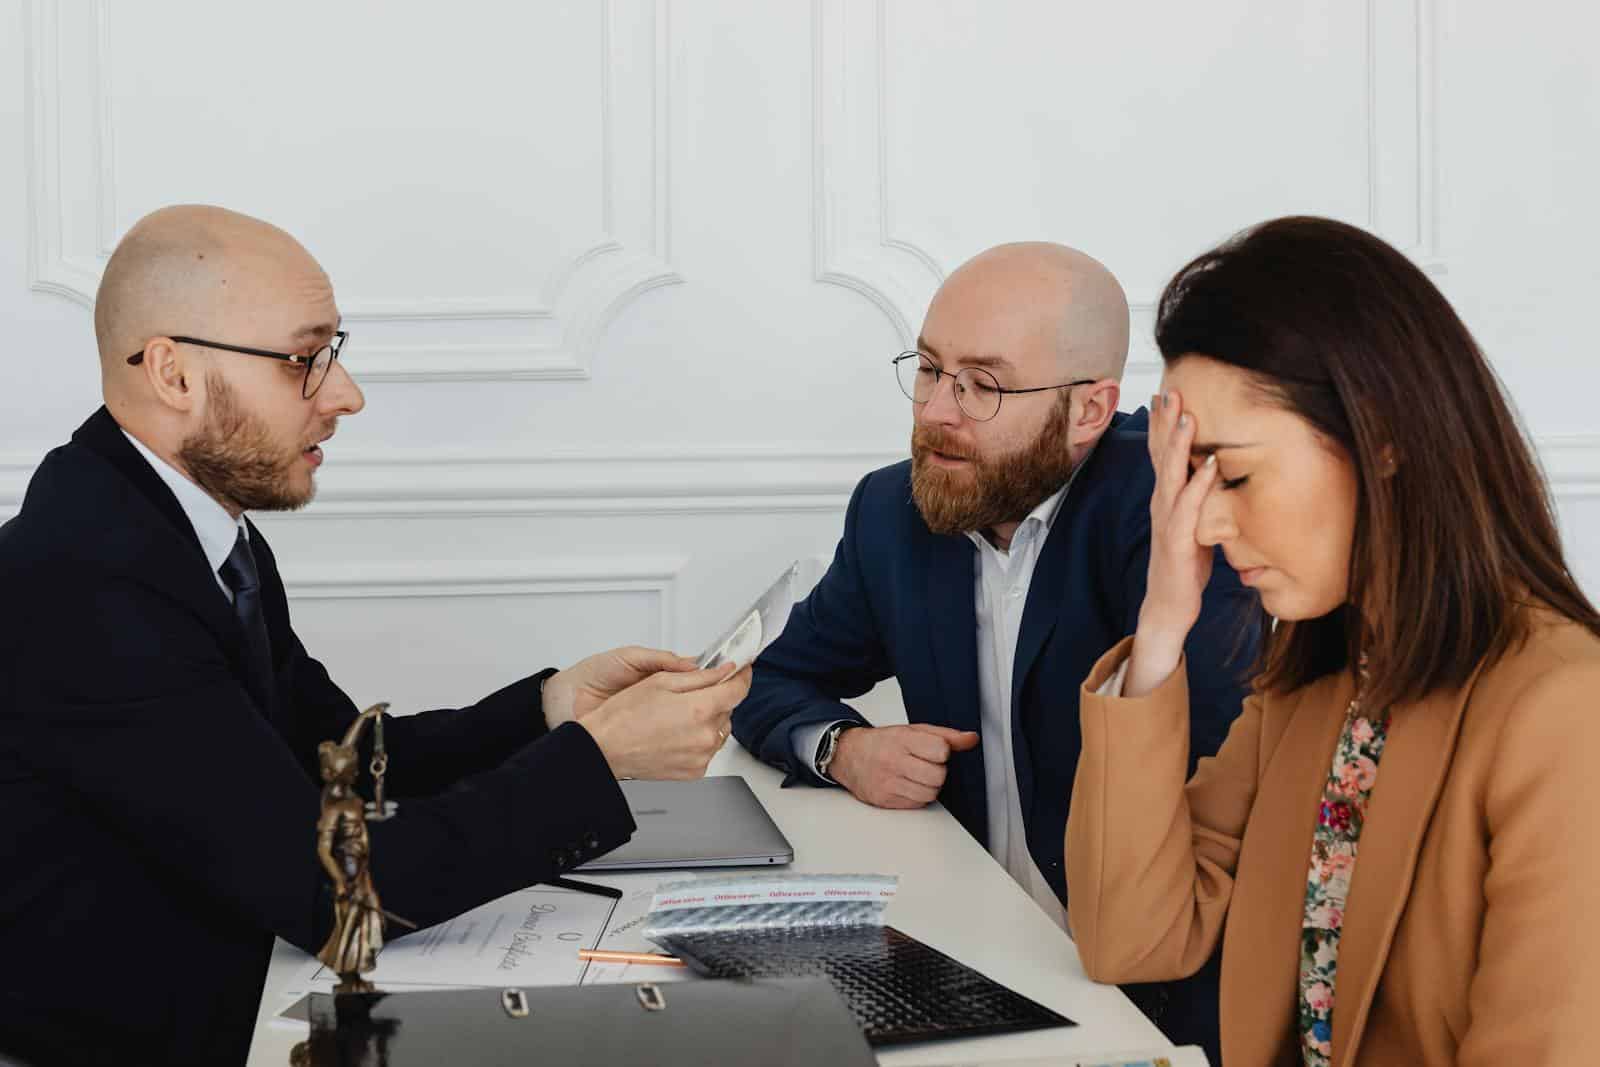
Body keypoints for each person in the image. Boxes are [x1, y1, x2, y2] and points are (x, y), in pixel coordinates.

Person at [0, 205, 751, 1066]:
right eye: (303, 360)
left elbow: (342, 759)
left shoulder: (190, 530)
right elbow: (333, 895)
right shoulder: (87, 579)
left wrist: (552, 711)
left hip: (240, 983)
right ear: (174, 373)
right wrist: (596, 757)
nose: (345, 394)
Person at [1065, 215, 1600, 1065]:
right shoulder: (1315, 686)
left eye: (1234, 472)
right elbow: (1129, 936)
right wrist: (1161, 624)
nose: (1201, 521)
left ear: (1382, 439)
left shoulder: (1565, 712)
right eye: (1189, 477)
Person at [731, 242, 1257, 1054]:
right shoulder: (894, 510)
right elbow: (766, 679)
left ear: (1089, 410)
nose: (937, 410)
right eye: (930, 370)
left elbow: (1219, 784)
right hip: (975, 949)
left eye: (982, 384)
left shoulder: (1170, 512)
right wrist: (844, 749)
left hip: (1156, 988)